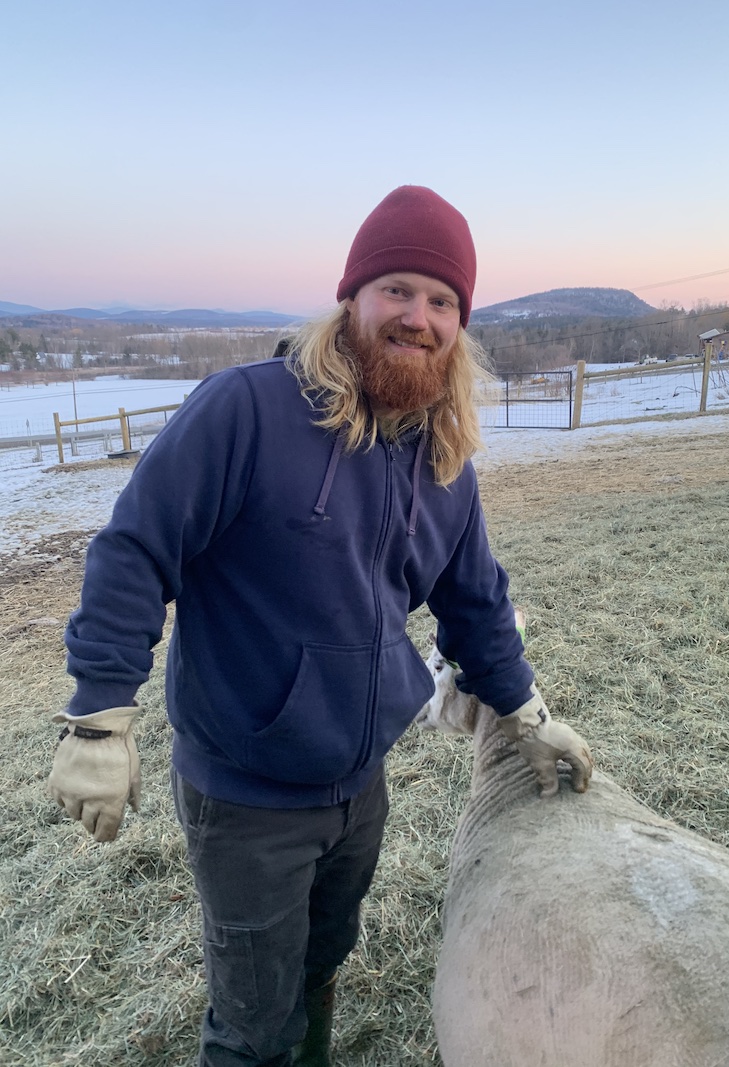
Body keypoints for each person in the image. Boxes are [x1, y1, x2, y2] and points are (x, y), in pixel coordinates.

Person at [47, 185, 593, 1067]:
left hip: (358, 783)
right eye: (398, 290)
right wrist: (100, 710)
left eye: (442, 300)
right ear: (353, 298)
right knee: (253, 1023)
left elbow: (476, 602)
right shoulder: (249, 411)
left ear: (460, 323)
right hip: (248, 793)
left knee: (320, 968)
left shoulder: (443, 459)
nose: (418, 317)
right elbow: (135, 548)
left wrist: (524, 712)